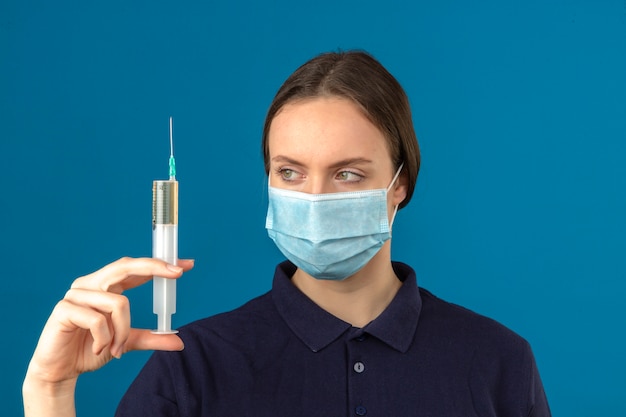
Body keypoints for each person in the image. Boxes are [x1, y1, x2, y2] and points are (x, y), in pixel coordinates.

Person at [23, 50, 551, 416]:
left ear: (400, 185)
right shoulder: (194, 367)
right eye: (290, 173)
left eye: (348, 173)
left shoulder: (496, 362)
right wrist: (50, 391)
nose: (314, 199)